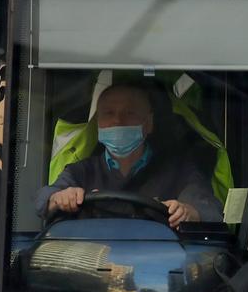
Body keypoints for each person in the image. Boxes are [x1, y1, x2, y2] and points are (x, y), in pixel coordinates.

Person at [36, 82, 222, 228]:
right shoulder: (81, 171)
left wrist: (190, 211)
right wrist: (58, 198)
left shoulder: (178, 170)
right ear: (98, 124)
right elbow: (43, 198)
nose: (118, 121)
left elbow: (209, 208)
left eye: (130, 113)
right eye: (108, 113)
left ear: (148, 123)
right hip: (93, 265)